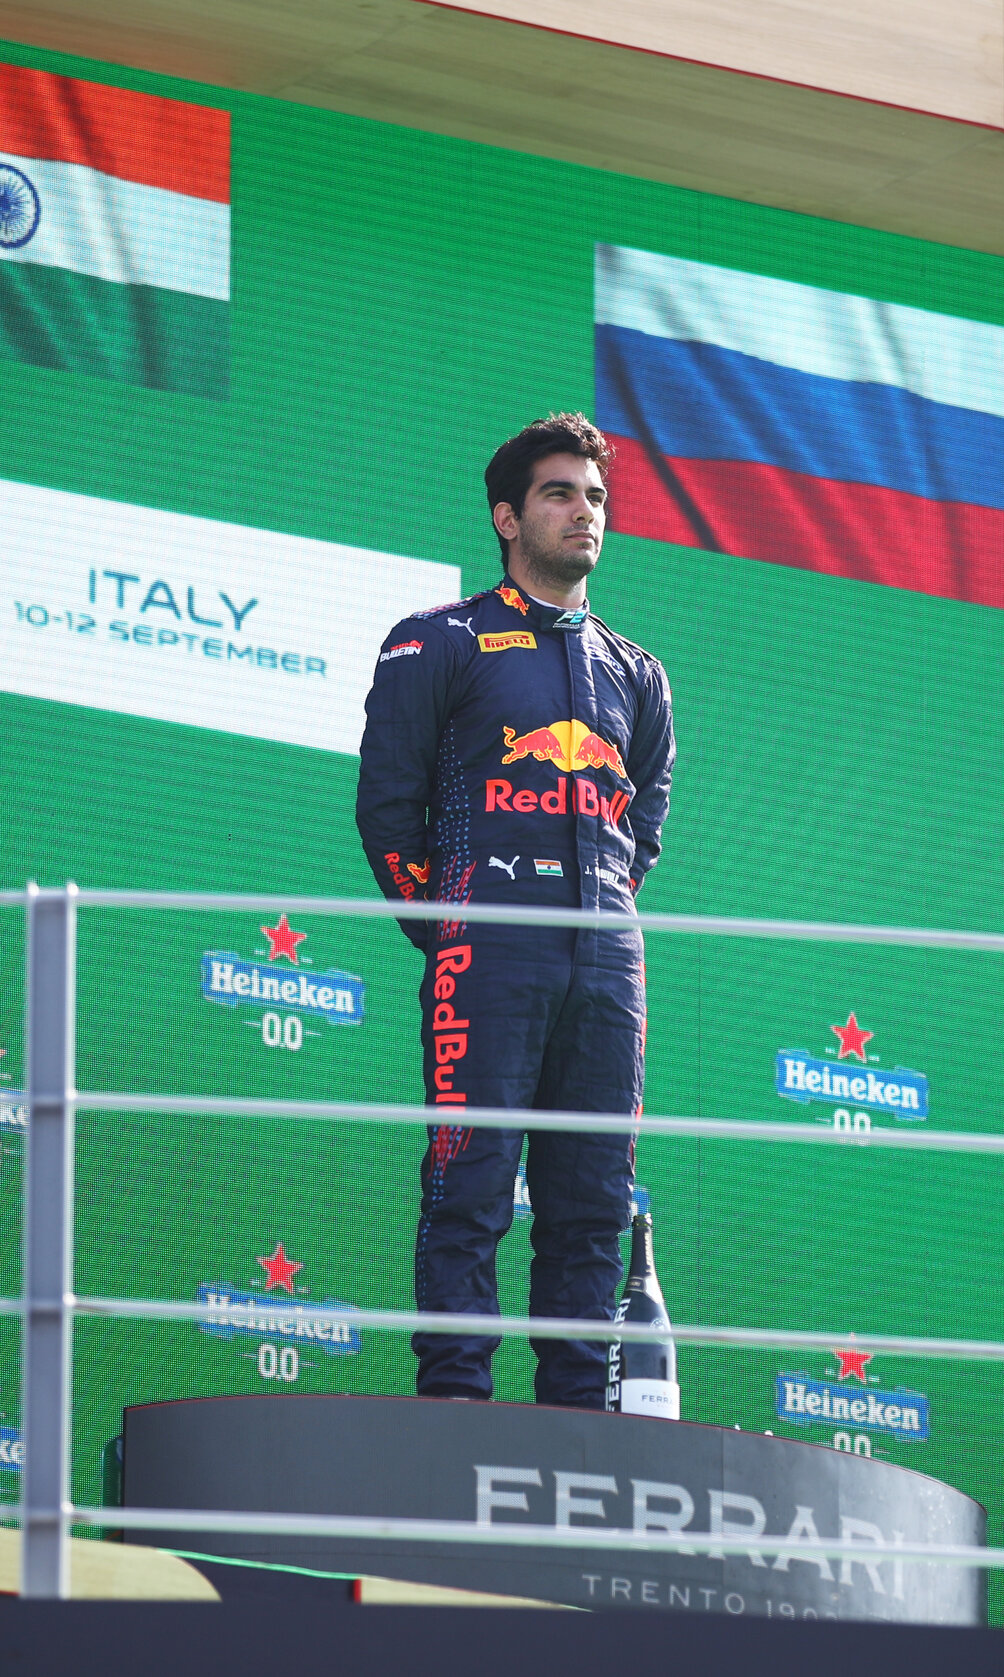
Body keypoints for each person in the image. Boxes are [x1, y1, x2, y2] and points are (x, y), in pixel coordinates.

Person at [356, 412, 674, 1407]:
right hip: (485, 952)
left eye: (595, 497)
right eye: (558, 493)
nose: (584, 513)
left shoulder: (638, 672)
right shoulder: (437, 641)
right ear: (506, 516)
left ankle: (577, 1415)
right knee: (469, 1186)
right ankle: (455, 1404)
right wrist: (456, 926)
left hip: (606, 963)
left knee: (593, 1205)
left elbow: (641, 829)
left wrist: (594, 915)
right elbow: (387, 809)